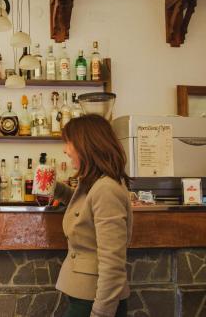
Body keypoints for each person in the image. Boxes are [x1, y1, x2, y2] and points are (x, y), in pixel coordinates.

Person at [54, 114, 132, 317]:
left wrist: (101, 312)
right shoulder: (98, 184)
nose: (65, 149)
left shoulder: (106, 189)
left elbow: (113, 262)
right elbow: (85, 209)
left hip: (95, 301)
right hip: (85, 295)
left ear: (85, 145)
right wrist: (55, 189)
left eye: (68, 143)